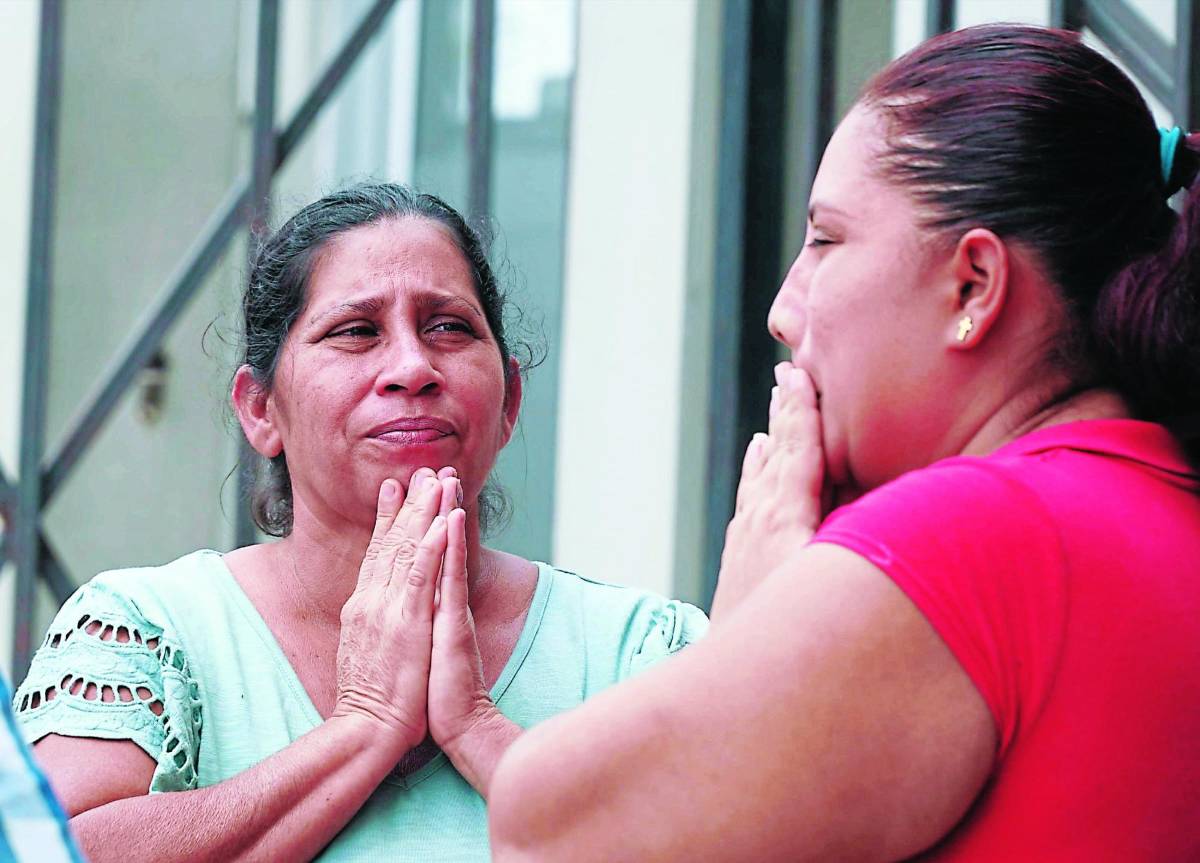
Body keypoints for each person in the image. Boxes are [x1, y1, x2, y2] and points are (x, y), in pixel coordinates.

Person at [488, 24, 1200, 861]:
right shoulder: (1156, 500)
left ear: (974, 285)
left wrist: (749, 619)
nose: (782, 311)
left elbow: (540, 826)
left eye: (826, 240)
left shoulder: (971, 534)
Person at [12, 183, 707, 861]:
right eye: (356, 331)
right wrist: (365, 726)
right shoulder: (148, 632)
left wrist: (478, 729)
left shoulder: (639, 650)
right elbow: (60, 849)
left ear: (510, 402)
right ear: (260, 409)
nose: (413, 367)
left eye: (448, 326)